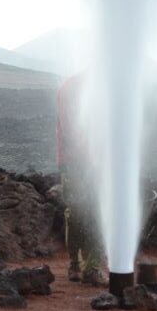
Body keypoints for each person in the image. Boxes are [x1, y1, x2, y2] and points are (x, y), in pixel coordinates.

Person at [56, 74, 105, 285]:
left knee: (78, 212)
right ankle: (86, 268)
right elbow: (69, 127)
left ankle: (81, 266)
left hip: (77, 161)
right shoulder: (75, 86)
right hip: (80, 162)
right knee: (88, 212)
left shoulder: (71, 84)